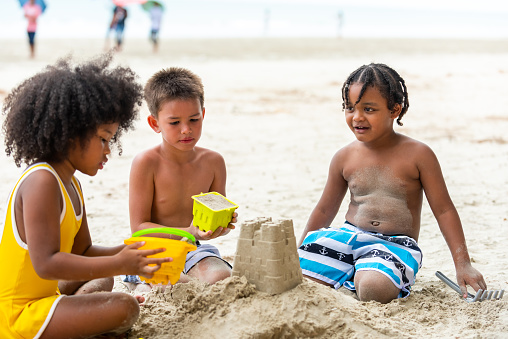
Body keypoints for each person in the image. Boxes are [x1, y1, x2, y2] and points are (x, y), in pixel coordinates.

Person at [0, 54, 172, 338]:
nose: (109, 150)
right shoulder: (42, 181)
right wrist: (122, 262)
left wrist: (137, 251)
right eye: (103, 138)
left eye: (112, 139)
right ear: (70, 134)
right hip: (17, 315)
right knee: (125, 307)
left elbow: (83, 252)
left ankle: (71, 317)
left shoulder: (72, 184)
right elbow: (47, 263)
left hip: (46, 296)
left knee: (103, 276)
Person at [297, 63, 486, 304]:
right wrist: (299, 250)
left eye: (369, 109)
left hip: (394, 244)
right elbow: (324, 209)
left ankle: (367, 274)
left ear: (394, 110)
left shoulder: (419, 154)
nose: (357, 117)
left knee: (373, 290)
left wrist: (463, 264)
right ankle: (353, 270)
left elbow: (444, 209)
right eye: (350, 108)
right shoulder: (344, 157)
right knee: (300, 275)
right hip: (347, 237)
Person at [126, 67, 236, 291]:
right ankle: (142, 286)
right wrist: (191, 231)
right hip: (152, 249)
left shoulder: (213, 162)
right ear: (155, 123)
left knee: (222, 277)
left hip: (192, 248)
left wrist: (221, 226)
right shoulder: (146, 163)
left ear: (203, 115)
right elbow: (139, 228)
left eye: (194, 119)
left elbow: (205, 227)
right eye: (174, 123)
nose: (186, 130)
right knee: (176, 286)